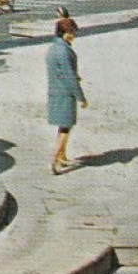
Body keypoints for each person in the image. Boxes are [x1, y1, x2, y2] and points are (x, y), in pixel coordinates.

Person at [46, 16, 89, 175]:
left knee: (63, 126)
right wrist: (81, 97)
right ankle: (54, 160)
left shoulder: (52, 48)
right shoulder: (64, 51)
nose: (73, 36)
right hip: (65, 94)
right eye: (71, 32)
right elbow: (70, 76)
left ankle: (62, 156)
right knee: (65, 128)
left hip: (55, 92)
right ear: (64, 33)